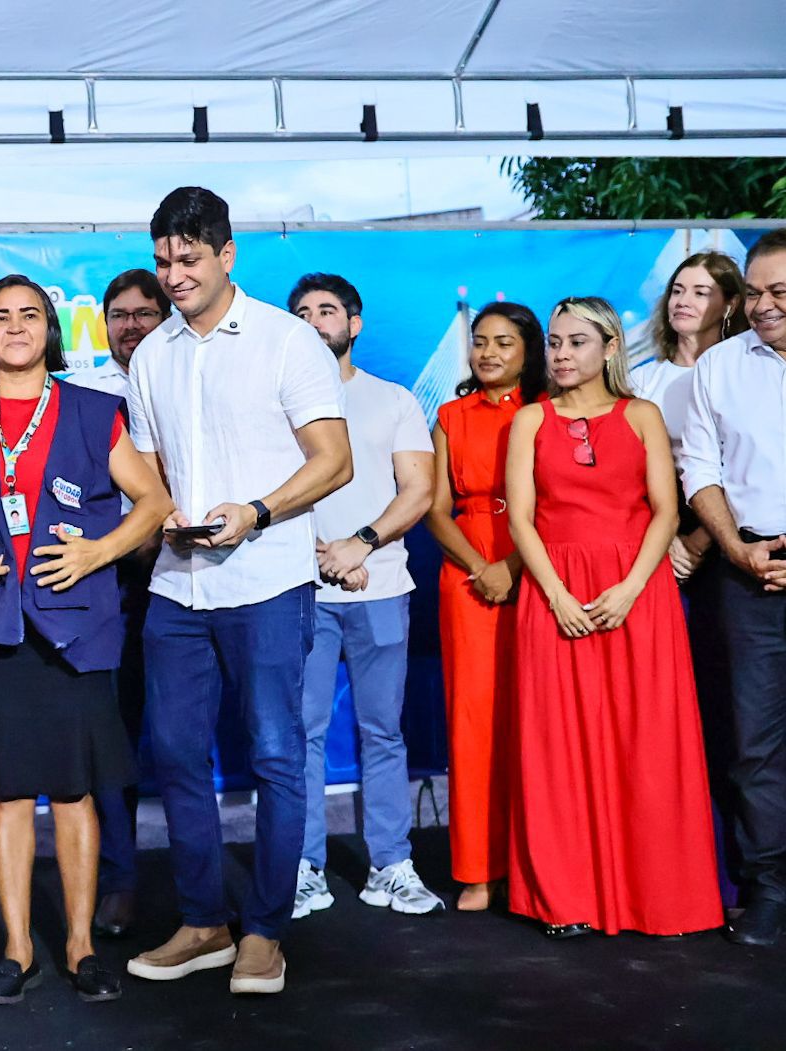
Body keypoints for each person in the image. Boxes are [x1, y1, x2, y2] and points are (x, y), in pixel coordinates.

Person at [0, 274, 172, 1004]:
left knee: (74, 790)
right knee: (10, 794)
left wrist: (98, 551)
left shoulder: (92, 411)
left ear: (49, 330)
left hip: (77, 627)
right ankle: (18, 949)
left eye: (29, 314)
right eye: (0, 316)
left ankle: (81, 946)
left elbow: (154, 500)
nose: (16, 326)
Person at [125, 188, 351, 996]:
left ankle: (263, 931)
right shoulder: (150, 355)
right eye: (162, 260)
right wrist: (161, 512)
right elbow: (147, 468)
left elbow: (334, 460)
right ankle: (202, 922)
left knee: (275, 754)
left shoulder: (287, 341)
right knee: (175, 754)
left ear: (226, 254)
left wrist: (255, 512)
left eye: (188, 258)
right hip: (175, 587)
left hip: (267, 582)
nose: (173, 275)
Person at [504, 296, 722, 937]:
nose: (561, 354)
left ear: (609, 347)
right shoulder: (530, 421)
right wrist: (556, 595)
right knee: (557, 748)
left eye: (576, 342)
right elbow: (521, 519)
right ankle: (564, 899)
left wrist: (631, 588)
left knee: (648, 743)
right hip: (555, 596)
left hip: (639, 595)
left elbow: (666, 511)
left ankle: (662, 898)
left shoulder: (643, 415)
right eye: (554, 342)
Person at [287, 273, 441, 918]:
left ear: (354, 324)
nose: (314, 321)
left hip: (381, 587)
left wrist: (360, 545)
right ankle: (302, 867)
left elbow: (419, 489)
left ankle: (390, 865)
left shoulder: (393, 400)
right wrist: (323, 558)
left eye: (327, 311)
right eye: (302, 312)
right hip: (301, 590)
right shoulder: (277, 401)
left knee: (383, 731)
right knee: (301, 734)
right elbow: (266, 493)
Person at [631, 252, 748, 899]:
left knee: (728, 716)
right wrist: (661, 548)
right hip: (653, 560)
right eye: (678, 289)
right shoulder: (643, 380)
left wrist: (701, 541)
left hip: (721, 556)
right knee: (665, 721)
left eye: (701, 291)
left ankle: (734, 873)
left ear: (729, 303)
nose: (684, 300)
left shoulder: (744, 373)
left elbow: (742, 470)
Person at [682, 228, 786, 945]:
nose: (761, 305)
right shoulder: (719, 366)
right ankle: (769, 887)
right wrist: (733, 547)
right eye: (752, 292)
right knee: (754, 744)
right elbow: (701, 468)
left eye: (778, 291)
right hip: (746, 573)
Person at [424, 301, 546, 912]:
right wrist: (482, 567)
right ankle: (477, 868)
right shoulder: (451, 416)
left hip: (544, 568)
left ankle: (540, 867)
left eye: (503, 342)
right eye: (480, 341)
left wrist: (515, 567)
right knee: (474, 723)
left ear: (529, 351)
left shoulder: (548, 412)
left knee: (541, 720)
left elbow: (562, 504)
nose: (488, 352)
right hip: (468, 576)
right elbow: (435, 509)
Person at [68, 267, 171, 937]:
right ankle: (120, 879)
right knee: (112, 743)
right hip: (114, 589)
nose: (130, 325)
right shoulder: (86, 400)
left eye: (143, 313)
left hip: (192, 581)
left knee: (184, 741)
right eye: (119, 315)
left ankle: (200, 888)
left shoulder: (186, 382)